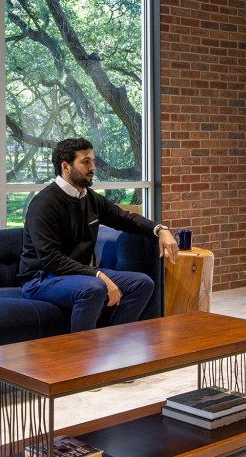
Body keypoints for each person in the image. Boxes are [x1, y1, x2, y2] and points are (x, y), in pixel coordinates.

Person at [19, 137, 179, 333]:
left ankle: (109, 344)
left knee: (142, 284)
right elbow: (52, 260)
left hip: (78, 274)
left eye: (92, 161)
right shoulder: (44, 204)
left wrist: (160, 229)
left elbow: (126, 219)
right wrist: (98, 275)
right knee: (94, 288)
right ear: (66, 167)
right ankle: (81, 355)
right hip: (41, 279)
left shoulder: (89, 198)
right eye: (86, 161)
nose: (93, 167)